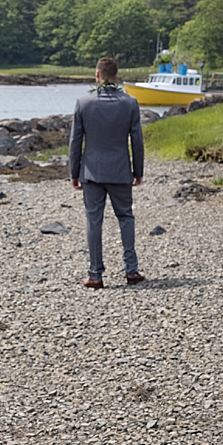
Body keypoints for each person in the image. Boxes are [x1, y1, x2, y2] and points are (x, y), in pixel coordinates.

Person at [69, 56, 145, 288]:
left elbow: (75, 141)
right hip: (121, 169)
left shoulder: (83, 102)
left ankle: (95, 274)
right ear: (116, 77)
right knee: (126, 217)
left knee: (94, 221)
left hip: (91, 171)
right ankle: (131, 270)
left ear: (98, 75)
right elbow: (137, 141)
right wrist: (137, 170)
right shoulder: (130, 103)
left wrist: (74, 172)